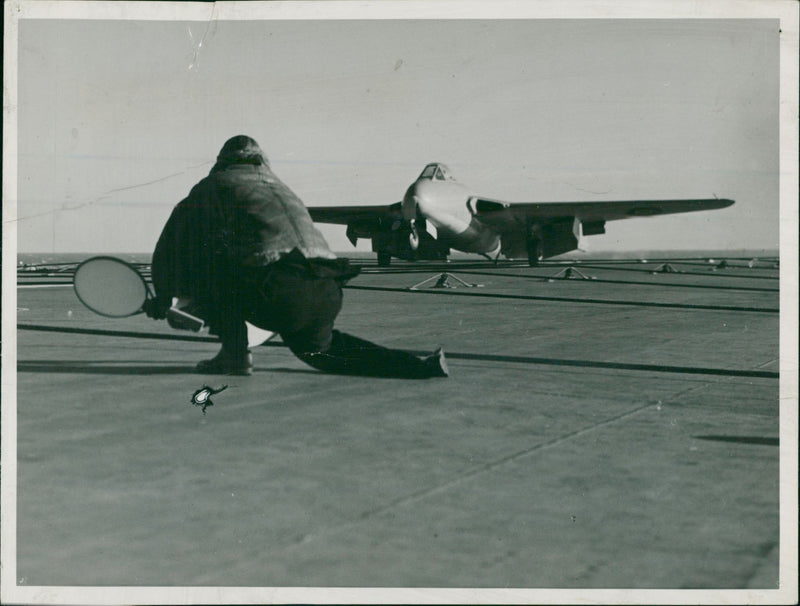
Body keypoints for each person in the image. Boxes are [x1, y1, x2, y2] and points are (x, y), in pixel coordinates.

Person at [144, 135, 448, 379]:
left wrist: (166, 296)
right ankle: (420, 367)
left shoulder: (214, 186)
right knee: (323, 352)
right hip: (325, 289)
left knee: (211, 260)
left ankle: (234, 354)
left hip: (277, 287)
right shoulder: (283, 189)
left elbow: (173, 245)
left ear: (222, 162)